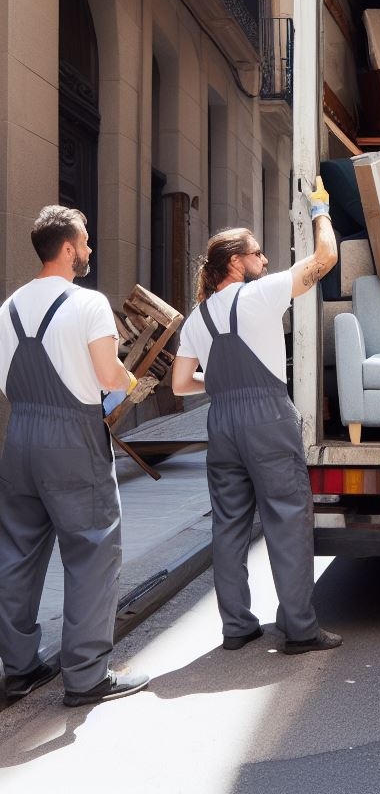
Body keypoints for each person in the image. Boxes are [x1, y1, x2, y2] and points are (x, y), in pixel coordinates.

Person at [171, 177, 341, 654]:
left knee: (227, 525)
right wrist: (319, 210)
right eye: (258, 253)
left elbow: (182, 384)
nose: (265, 261)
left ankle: (237, 627)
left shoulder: (197, 317)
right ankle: (300, 630)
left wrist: (223, 385)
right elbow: (325, 259)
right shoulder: (262, 294)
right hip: (267, 418)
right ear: (235, 262)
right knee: (288, 519)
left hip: (221, 422)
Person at [0, 206, 149, 706]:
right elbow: (109, 378)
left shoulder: (8, 308)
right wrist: (132, 383)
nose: (88, 250)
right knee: (92, 551)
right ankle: (86, 677)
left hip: (19, 435)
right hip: (72, 440)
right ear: (67, 248)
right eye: (84, 242)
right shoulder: (88, 304)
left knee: (17, 552)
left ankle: (19, 668)